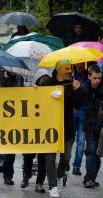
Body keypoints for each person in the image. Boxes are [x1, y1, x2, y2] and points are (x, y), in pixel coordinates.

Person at [39, 60, 81, 198]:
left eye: (71, 69)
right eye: (67, 68)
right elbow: (37, 100)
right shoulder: (47, 83)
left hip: (67, 127)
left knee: (66, 157)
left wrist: (76, 90)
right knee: (50, 158)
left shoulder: (72, 85)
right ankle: (53, 186)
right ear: (59, 70)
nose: (70, 71)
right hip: (50, 127)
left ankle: (58, 176)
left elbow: (78, 105)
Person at [0, 67, 25, 185]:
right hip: (0, 116)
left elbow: (22, 95)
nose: (13, 71)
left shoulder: (19, 79)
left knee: (11, 148)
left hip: (14, 117)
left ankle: (8, 176)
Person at [21, 69, 51, 192]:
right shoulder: (30, 92)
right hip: (32, 130)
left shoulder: (52, 94)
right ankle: (26, 176)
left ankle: (39, 182)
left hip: (45, 130)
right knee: (28, 156)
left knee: (42, 158)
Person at [76, 63, 103, 188]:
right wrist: (74, 90)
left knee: (98, 154)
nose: (97, 80)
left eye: (99, 77)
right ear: (89, 77)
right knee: (91, 151)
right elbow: (75, 103)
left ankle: (92, 177)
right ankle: (89, 178)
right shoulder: (83, 89)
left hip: (101, 126)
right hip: (89, 125)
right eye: (95, 78)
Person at [71, 61, 88, 176]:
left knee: (81, 142)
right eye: (79, 63)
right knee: (69, 140)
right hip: (71, 113)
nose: (81, 66)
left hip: (83, 113)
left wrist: (81, 87)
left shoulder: (88, 77)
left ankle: (76, 166)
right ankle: (65, 161)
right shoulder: (70, 76)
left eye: (83, 63)